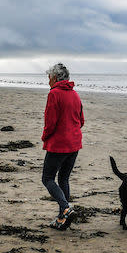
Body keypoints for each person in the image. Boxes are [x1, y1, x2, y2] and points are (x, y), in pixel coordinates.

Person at [41, 63, 83, 229]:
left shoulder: (54, 94)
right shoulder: (75, 94)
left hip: (59, 145)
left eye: (49, 77)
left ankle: (65, 209)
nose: (48, 80)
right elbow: (81, 121)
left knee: (48, 178)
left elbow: (50, 123)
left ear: (55, 78)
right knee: (63, 178)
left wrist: (45, 137)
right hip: (74, 144)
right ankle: (62, 218)